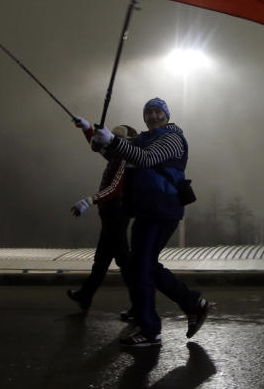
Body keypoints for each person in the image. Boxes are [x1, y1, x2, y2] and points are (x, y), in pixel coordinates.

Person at [92, 98, 209, 347]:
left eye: (158, 111)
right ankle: (192, 303)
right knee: (141, 266)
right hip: (146, 210)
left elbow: (145, 158)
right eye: (149, 112)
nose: (153, 116)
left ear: (166, 115)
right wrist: (97, 139)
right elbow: (119, 154)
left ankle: (151, 329)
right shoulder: (143, 139)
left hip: (163, 210)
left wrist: (111, 141)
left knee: (142, 267)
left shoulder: (172, 139)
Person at [66, 120, 138, 312]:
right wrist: (86, 128)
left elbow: (114, 189)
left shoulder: (124, 159)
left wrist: (89, 200)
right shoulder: (117, 155)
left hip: (117, 215)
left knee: (124, 261)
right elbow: (98, 145)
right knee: (103, 260)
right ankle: (85, 296)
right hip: (110, 216)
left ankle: (139, 306)